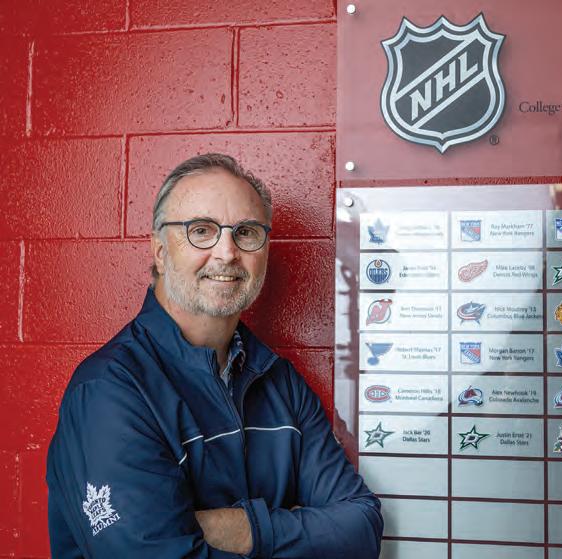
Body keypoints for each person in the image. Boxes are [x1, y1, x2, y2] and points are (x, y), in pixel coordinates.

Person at [46, 154, 383, 558]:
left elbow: (361, 527)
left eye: (246, 232)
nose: (227, 253)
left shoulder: (280, 383)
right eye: (201, 231)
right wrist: (302, 529)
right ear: (159, 251)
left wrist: (247, 528)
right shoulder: (110, 392)